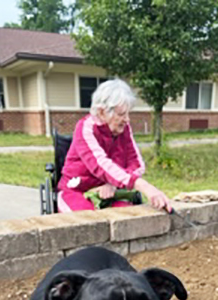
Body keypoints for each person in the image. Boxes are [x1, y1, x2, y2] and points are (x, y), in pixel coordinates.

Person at [57, 79, 172, 213]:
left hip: (111, 191)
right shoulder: (85, 128)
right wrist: (143, 186)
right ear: (102, 112)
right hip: (77, 189)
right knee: (88, 223)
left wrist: (112, 184)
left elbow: (137, 164)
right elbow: (100, 164)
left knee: (128, 218)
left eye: (128, 113)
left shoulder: (124, 128)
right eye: (122, 114)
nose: (127, 119)